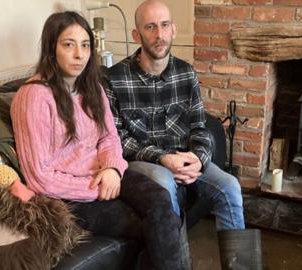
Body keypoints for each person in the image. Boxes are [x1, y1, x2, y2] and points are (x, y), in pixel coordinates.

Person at [10, 11, 187, 270]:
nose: (80, 55)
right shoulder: (34, 96)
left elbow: (109, 137)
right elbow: (40, 176)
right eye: (69, 45)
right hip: (66, 197)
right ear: (51, 48)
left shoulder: (91, 87)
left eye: (85, 45)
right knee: (153, 227)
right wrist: (97, 188)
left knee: (162, 202)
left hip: (105, 174)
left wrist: (113, 169)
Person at [106, 1, 247, 268]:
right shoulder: (114, 79)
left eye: (164, 25)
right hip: (144, 164)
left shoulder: (186, 73)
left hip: (185, 158)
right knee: (164, 184)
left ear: (173, 30)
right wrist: (164, 159)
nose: (159, 34)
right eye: (150, 27)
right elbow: (118, 140)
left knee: (230, 187)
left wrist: (199, 159)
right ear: (136, 35)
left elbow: (200, 127)